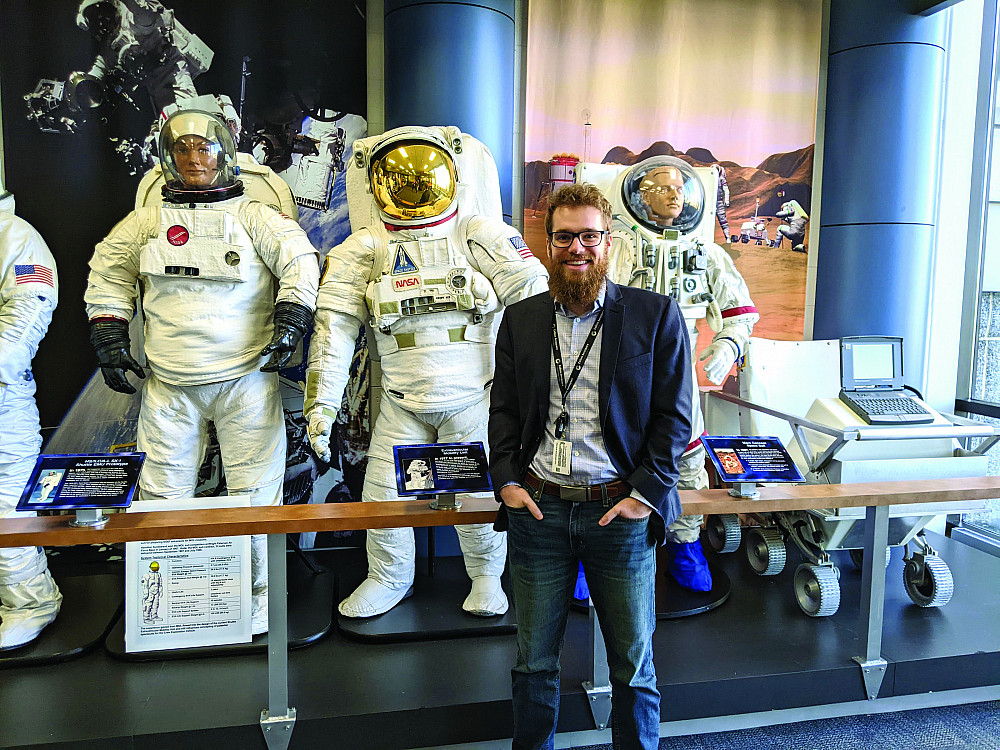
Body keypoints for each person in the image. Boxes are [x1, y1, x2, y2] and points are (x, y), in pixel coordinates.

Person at [85, 109, 319, 635]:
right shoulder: (148, 221)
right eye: (184, 149)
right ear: (169, 157)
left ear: (224, 154)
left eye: (205, 148)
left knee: (254, 497)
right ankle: (166, 603)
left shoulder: (255, 216)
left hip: (245, 378)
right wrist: (108, 334)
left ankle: (257, 595)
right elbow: (108, 269)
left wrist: (291, 319)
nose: (195, 159)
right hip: (169, 383)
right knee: (162, 496)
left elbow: (300, 262)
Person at [306, 125, 549, 619]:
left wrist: (542, 399)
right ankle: (388, 577)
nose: (413, 190)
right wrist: (322, 405)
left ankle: (485, 577)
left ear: (452, 174)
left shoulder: (479, 234)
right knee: (381, 496)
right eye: (398, 180)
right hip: (399, 400)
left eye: (425, 176)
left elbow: (537, 308)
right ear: (376, 183)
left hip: (474, 398)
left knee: (479, 493)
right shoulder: (365, 247)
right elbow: (334, 329)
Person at [489, 183, 693, 750]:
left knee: (634, 664)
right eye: (564, 237)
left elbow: (674, 419)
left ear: (610, 243)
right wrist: (506, 480)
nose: (576, 247)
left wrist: (645, 495)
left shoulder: (655, 316)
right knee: (533, 663)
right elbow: (503, 411)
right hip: (540, 511)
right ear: (547, 245)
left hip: (620, 514)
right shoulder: (521, 320)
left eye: (589, 236)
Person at [626, 157, 758, 592]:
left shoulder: (708, 255)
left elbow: (740, 315)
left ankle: (685, 545)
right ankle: (601, 551)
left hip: (679, 371)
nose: (674, 194)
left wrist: (727, 346)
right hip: (623, 372)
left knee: (687, 462)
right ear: (641, 197)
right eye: (662, 187)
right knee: (609, 460)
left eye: (680, 187)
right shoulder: (617, 248)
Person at [0, 189, 64, 650]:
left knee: (6, 511)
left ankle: (29, 603)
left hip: (2, 401)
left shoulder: (17, 241)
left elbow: (22, 328)